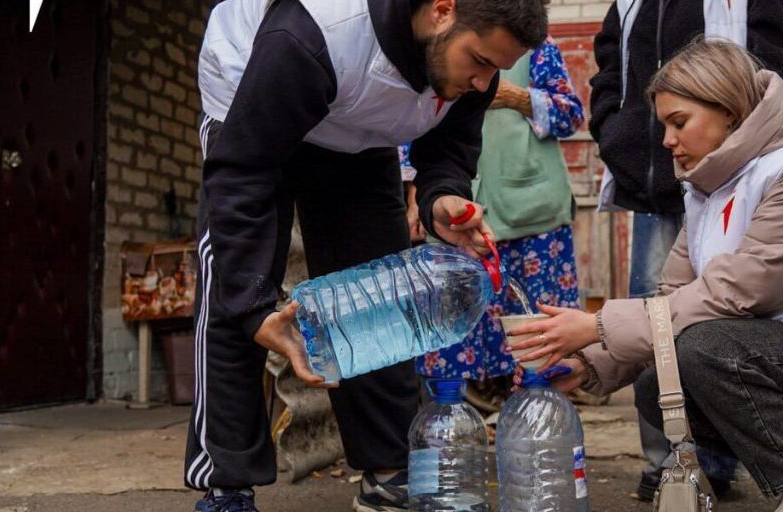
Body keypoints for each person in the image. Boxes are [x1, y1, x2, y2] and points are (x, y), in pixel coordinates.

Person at [508, 39, 783, 512]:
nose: (667, 140)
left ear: (729, 112)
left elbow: (733, 292)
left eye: (679, 122)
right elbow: (675, 296)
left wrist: (596, 325)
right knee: (658, 385)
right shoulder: (710, 188)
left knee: (703, 352)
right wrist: (590, 364)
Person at [186, 1, 549, 510]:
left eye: (496, 69)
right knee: (239, 275)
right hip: (254, 93)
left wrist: (442, 196)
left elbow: (448, 151)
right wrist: (252, 305)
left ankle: (387, 470)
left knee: (380, 296)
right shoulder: (314, 34)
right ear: (442, 10)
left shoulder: (472, 68)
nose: (484, 81)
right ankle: (227, 483)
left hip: (355, 124)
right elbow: (240, 179)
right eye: (481, 60)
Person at [589, 0, 783, 499]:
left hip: (728, 176)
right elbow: (609, 70)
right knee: (656, 313)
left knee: (716, 318)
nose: (668, 134)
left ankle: (715, 460)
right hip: (651, 187)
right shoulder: (628, 4)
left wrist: (743, 150)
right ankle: (670, 462)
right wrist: (616, 134)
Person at [414, 36, 584, 385]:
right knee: (450, 340)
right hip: (457, 211)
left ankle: (536, 418)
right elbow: (409, 121)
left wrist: (516, 97)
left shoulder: (532, 43)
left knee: (538, 339)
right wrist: (413, 190)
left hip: (531, 213)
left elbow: (570, 114)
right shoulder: (440, 40)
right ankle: (458, 421)